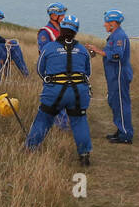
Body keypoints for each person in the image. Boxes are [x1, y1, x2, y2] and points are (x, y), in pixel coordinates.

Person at [27, 15, 94, 166]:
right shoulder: (82, 50)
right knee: (79, 121)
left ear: (61, 29)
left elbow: (40, 70)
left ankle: (31, 148)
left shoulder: (48, 47)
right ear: (76, 31)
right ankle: (84, 155)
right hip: (78, 92)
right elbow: (87, 73)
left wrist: (51, 81)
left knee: (43, 119)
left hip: (54, 91)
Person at [86, 9, 134, 143]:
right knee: (115, 102)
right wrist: (97, 50)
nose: (104, 25)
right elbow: (110, 51)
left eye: (106, 22)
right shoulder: (114, 35)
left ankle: (125, 135)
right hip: (114, 76)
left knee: (121, 103)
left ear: (113, 23)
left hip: (119, 75)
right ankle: (120, 130)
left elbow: (118, 55)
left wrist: (98, 51)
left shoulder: (119, 36)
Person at [38, 2, 71, 129]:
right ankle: (60, 129)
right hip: (53, 72)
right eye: (61, 15)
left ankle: (64, 127)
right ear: (53, 15)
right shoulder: (45, 32)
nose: (64, 17)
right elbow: (45, 53)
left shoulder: (62, 31)